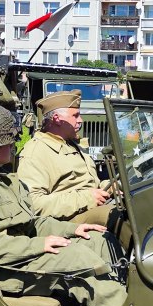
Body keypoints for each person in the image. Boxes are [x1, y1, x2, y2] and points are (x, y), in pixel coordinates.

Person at [0, 102, 126, 306]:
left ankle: (120, 301)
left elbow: (31, 222)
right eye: (10, 140)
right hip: (7, 270)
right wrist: (40, 245)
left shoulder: (2, 181)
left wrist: (72, 229)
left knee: (98, 240)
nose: (14, 145)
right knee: (78, 261)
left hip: (22, 256)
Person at [18, 90, 115, 224]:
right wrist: (87, 198)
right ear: (57, 119)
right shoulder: (36, 151)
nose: (80, 120)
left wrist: (110, 187)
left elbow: (89, 184)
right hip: (66, 221)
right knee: (118, 218)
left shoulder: (71, 143)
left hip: (90, 208)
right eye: (75, 116)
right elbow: (33, 203)